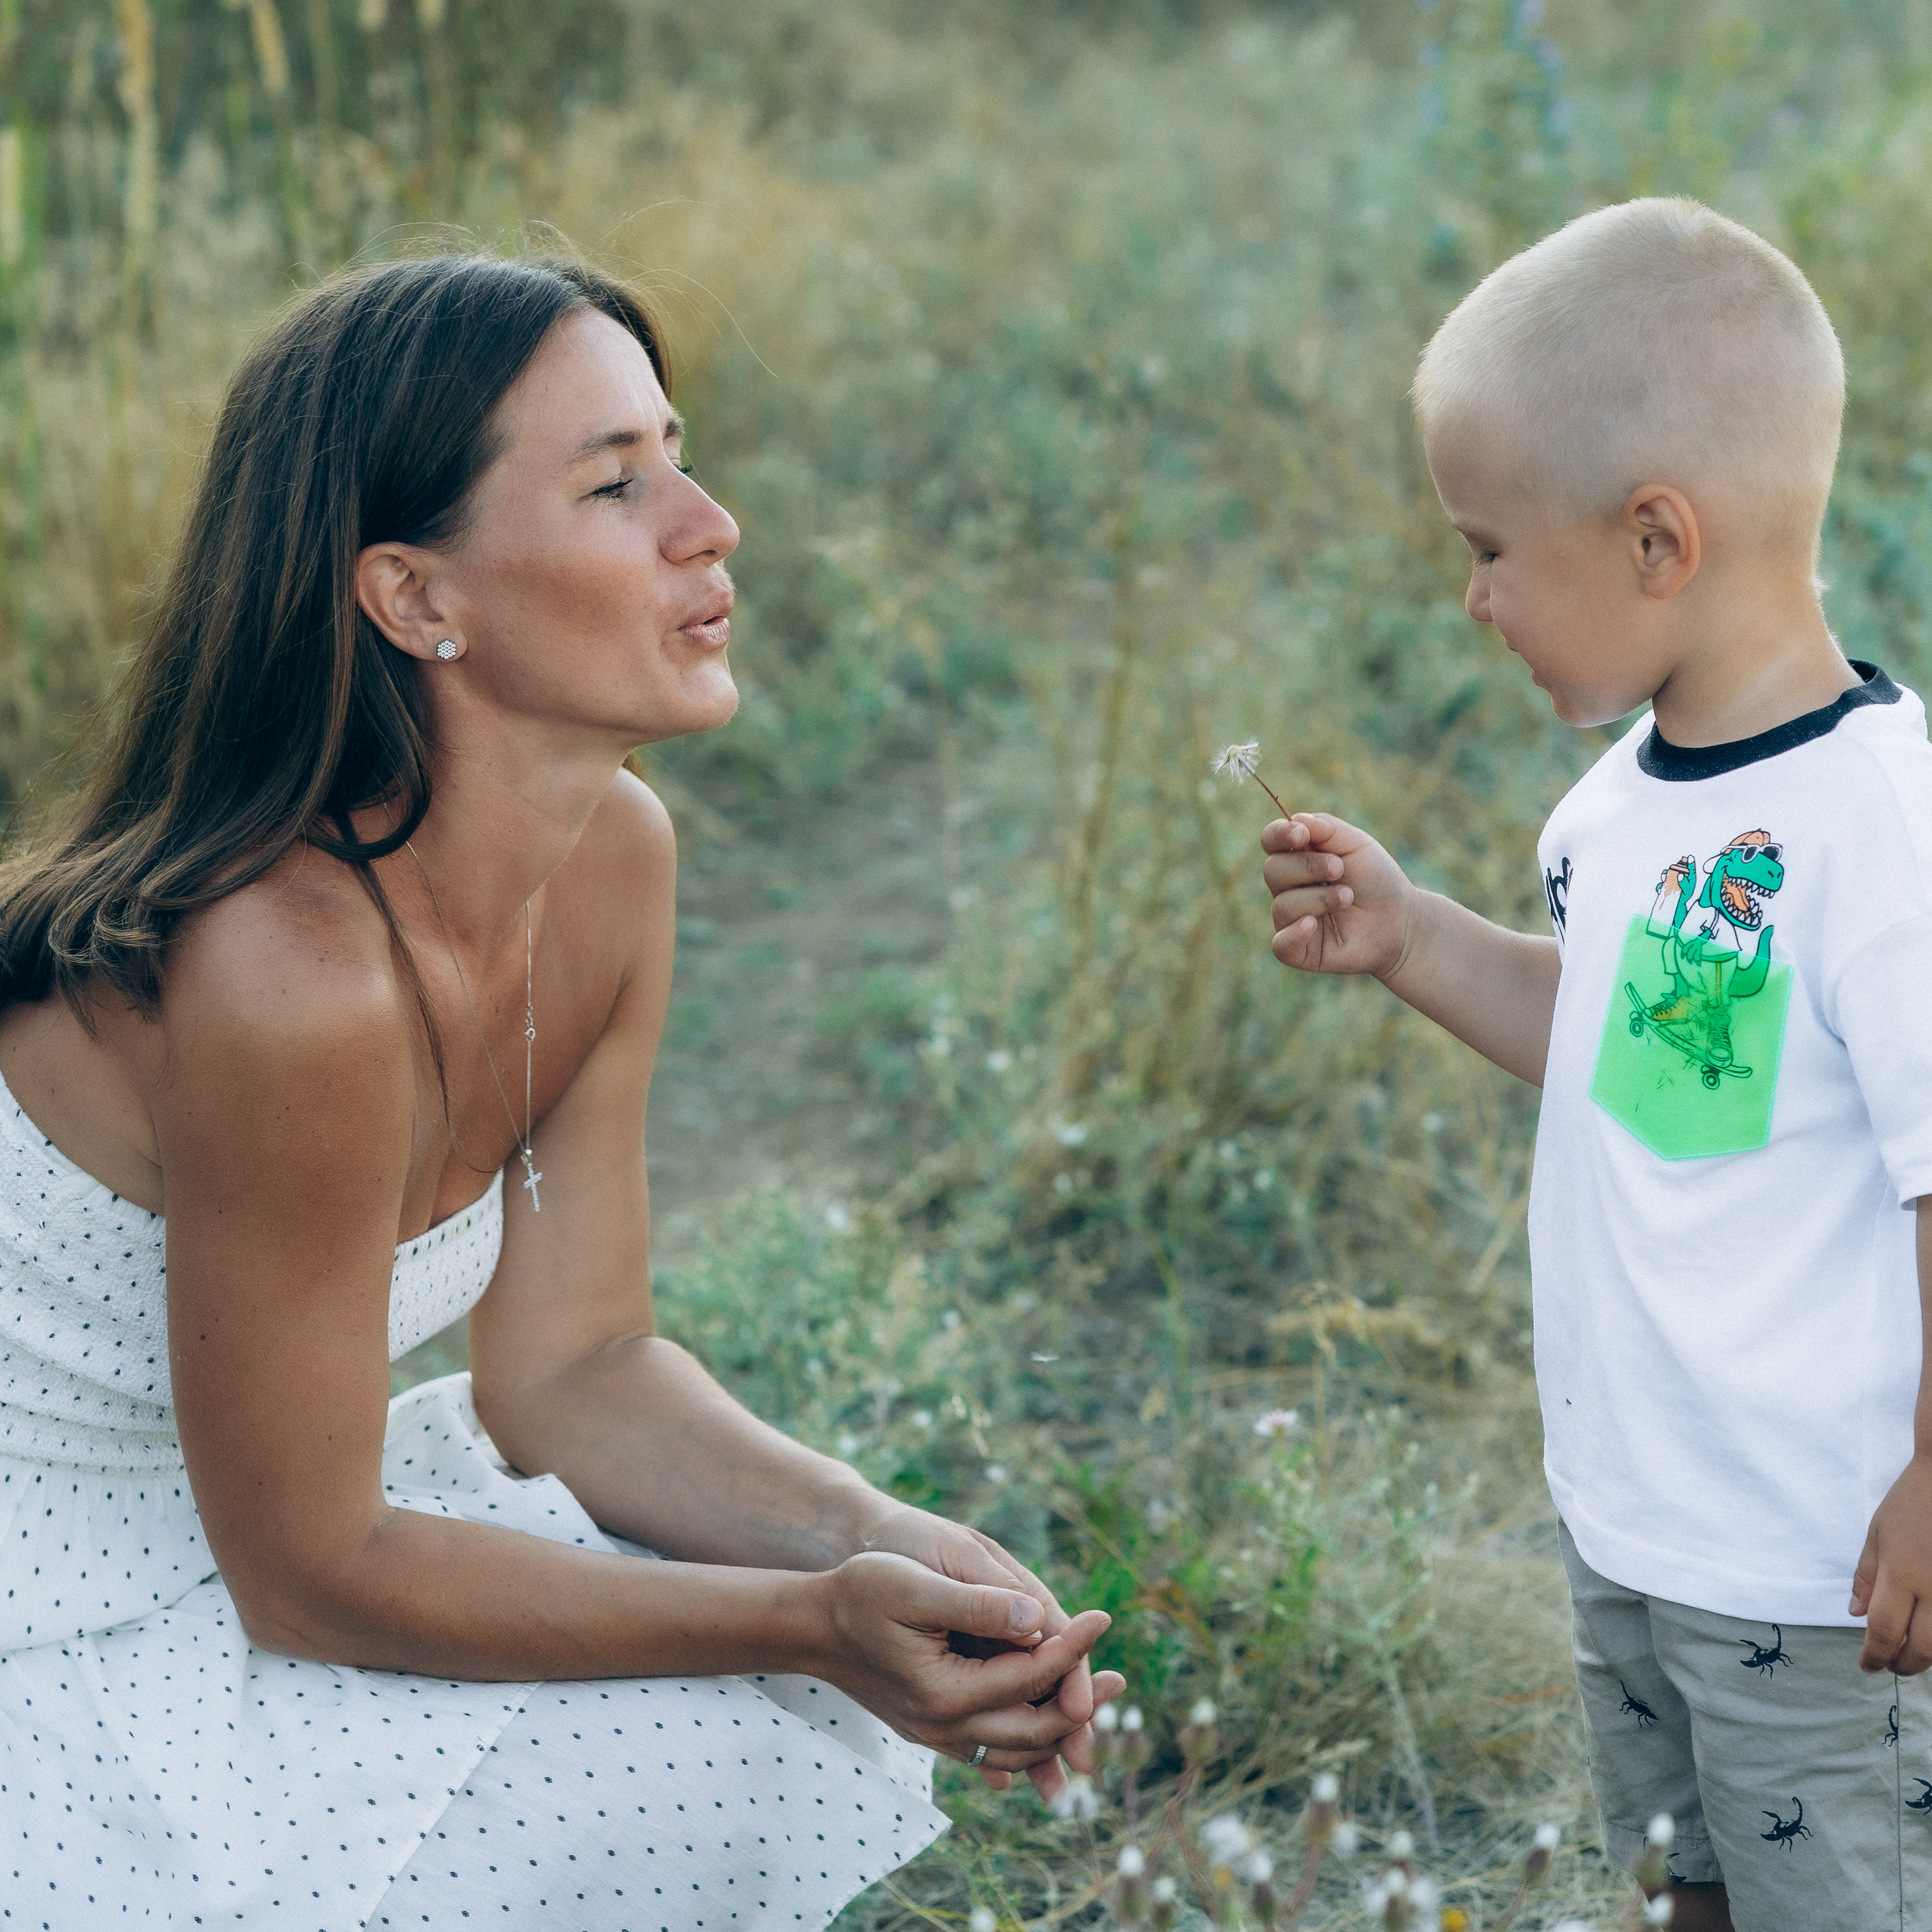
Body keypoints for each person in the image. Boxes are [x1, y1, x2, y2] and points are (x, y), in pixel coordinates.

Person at [0, 248, 1121, 1930]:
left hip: (231, 1532)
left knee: (755, 1739)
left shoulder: (612, 860)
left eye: (676, 452)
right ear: (414, 599)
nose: (710, 520)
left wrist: (869, 1535)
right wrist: (804, 1616)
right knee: (750, 1695)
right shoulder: (282, 973)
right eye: (617, 482)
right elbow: (310, 1568)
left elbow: (574, 1367)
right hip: (60, 1607)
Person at [1259, 198, 1932, 1931]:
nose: (1470, 597)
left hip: (1818, 1559)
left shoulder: (1877, 832)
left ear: (1654, 540)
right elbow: (1647, 1064)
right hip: (1636, 1518)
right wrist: (1412, 937)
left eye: (1487, 546)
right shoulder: (1621, 804)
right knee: (1673, 1885)